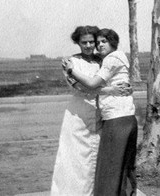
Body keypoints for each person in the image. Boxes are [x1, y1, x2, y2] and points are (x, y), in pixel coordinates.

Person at [51, 26, 131, 196]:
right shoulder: (70, 63)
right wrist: (110, 91)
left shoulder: (102, 60)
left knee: (97, 158)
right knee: (77, 158)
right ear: (77, 43)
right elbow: (80, 88)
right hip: (78, 114)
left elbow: (115, 78)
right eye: (83, 42)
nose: (88, 46)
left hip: (101, 113)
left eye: (91, 42)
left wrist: (125, 87)